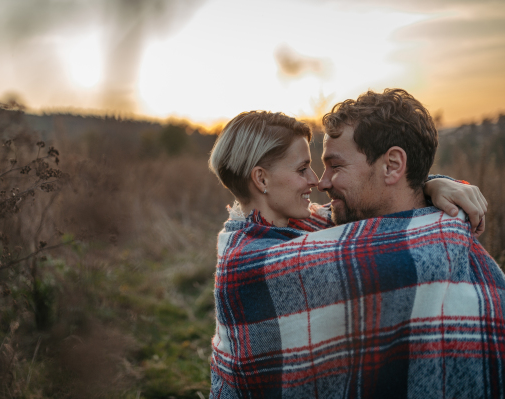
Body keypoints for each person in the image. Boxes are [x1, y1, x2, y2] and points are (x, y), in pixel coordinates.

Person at [208, 89, 502, 398]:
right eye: (303, 169)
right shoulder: (302, 237)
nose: (319, 181)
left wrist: (433, 183)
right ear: (261, 179)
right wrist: (434, 187)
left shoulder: (438, 234)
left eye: (335, 166)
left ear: (392, 165)